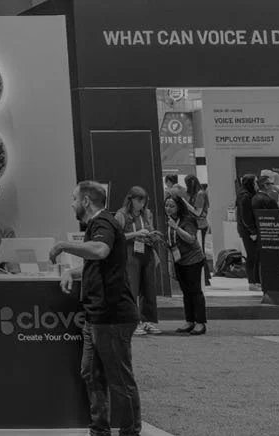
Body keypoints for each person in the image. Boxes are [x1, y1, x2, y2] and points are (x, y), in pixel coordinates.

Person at [50, 181, 143, 436]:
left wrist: (63, 246)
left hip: (112, 316)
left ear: (86, 201)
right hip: (96, 316)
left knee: (120, 379)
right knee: (91, 372)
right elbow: (97, 265)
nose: (72, 204)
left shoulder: (102, 223)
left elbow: (100, 251)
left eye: (74, 199)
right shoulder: (97, 224)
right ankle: (99, 429)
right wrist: (71, 271)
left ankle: (130, 432)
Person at [115, 187, 162, 336]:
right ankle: (132, 322)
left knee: (149, 287)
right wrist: (136, 233)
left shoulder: (147, 213)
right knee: (132, 288)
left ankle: (147, 321)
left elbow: (150, 229)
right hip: (130, 254)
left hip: (146, 252)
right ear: (131, 199)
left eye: (144, 201)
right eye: (139, 200)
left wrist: (153, 235)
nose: (141, 204)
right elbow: (117, 237)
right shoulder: (121, 214)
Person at [164, 193, 208, 336]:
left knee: (195, 291)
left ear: (179, 207)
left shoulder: (187, 219)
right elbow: (171, 243)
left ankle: (200, 323)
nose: (168, 208)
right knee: (186, 292)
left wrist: (176, 228)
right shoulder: (169, 220)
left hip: (193, 259)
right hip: (179, 260)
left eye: (172, 206)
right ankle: (189, 321)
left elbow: (191, 239)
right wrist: (170, 263)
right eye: (166, 205)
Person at [249, 175, 279, 292]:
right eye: (270, 183)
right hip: (271, 233)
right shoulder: (269, 200)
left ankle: (258, 280)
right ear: (265, 185)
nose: (272, 186)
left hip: (260, 232)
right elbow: (278, 217)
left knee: (259, 257)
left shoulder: (254, 198)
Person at [237, 174, 264, 291]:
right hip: (248, 231)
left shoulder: (246, 194)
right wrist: (252, 231)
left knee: (254, 255)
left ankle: (255, 281)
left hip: (248, 230)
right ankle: (252, 282)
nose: (257, 184)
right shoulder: (245, 196)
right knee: (252, 255)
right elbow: (245, 216)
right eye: (255, 182)